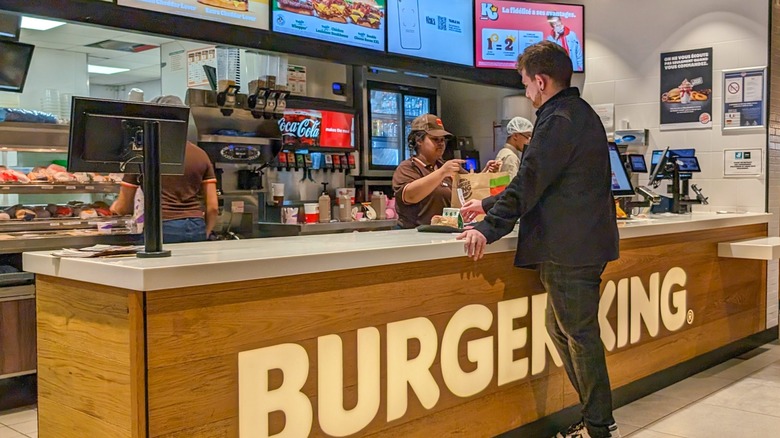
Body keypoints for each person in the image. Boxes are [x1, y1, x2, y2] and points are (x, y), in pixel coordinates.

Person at [457, 41, 620, 438]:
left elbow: (530, 182)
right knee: (562, 329)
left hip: (569, 249)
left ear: (541, 81)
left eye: (526, 83)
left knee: (579, 337)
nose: (527, 92)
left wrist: (486, 227)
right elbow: (546, 182)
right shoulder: (578, 114)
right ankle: (594, 420)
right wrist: (489, 204)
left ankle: (600, 427)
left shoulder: (557, 119)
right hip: (580, 245)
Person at [110, 95, 219, 243]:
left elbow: (124, 207)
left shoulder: (143, 154)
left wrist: (112, 209)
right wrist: (206, 232)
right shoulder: (201, 155)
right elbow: (213, 207)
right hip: (196, 226)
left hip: (162, 227)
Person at [392, 114, 497, 229]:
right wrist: (442, 173)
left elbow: (472, 187)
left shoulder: (446, 166)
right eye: (435, 139)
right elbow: (410, 196)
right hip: (414, 234)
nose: (441, 143)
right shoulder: (408, 168)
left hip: (445, 233)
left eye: (443, 140)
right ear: (419, 140)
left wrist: (486, 173)